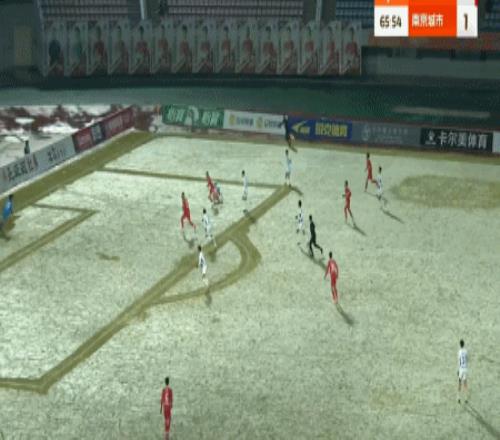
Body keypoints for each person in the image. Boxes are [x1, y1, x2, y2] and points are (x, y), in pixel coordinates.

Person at [457, 339, 468, 404]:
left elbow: (459, 361)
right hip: (465, 369)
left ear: (460, 344)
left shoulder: (459, 352)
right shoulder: (466, 351)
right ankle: (466, 398)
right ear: (464, 344)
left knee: (459, 383)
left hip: (461, 369)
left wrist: (458, 370)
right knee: (465, 383)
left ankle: (459, 398)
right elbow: (467, 359)